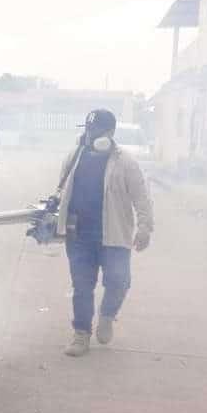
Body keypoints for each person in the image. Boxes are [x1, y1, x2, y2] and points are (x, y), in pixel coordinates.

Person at [56, 109, 154, 357]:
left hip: (114, 234)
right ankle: (81, 334)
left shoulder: (126, 162)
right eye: (88, 130)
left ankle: (107, 316)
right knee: (82, 286)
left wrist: (144, 226)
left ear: (110, 133)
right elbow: (61, 192)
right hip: (79, 235)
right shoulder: (74, 157)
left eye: (96, 131)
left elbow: (142, 197)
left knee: (119, 282)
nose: (90, 136)